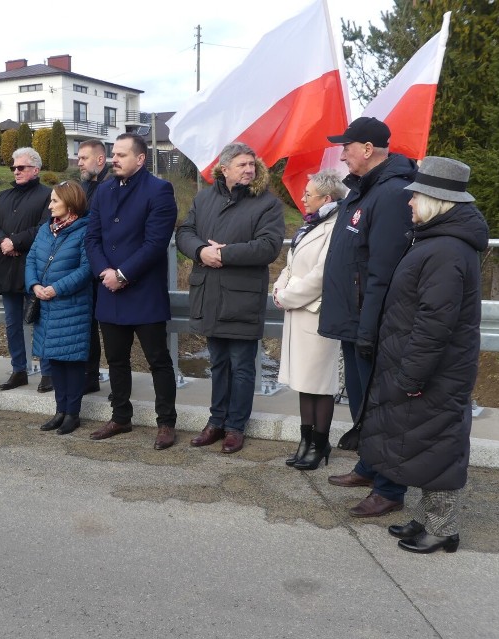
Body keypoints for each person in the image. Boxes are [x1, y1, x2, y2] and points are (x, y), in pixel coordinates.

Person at [359, 157, 488, 554]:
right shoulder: (437, 242)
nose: (410, 202)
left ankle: (444, 528)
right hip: (429, 367)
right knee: (424, 444)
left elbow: (435, 322)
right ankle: (428, 518)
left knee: (439, 447)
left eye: (416, 195)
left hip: (436, 371)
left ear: (436, 200)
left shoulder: (446, 250)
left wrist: (412, 375)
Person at [320, 117, 418, 518]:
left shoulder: (392, 193)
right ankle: (369, 466)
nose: (341, 153)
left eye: (347, 146)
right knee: (362, 404)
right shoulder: (363, 190)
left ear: (367, 149)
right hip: (353, 317)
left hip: (370, 321)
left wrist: (369, 327)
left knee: (381, 407)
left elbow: (383, 269)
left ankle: (390, 487)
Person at [176, 142, 284, 454]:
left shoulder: (267, 204)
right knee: (218, 361)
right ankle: (216, 421)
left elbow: (269, 246)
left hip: (242, 298)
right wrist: (200, 251)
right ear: (225, 169)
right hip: (209, 293)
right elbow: (184, 233)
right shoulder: (205, 196)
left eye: (252, 164)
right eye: (242, 165)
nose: (250, 169)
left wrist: (222, 253)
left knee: (242, 364)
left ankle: (236, 426)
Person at [84, 133, 179, 451]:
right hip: (109, 290)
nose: (114, 159)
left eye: (122, 155)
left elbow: (155, 243)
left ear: (140, 159)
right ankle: (120, 416)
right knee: (116, 360)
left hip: (143, 291)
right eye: (114, 154)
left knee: (158, 361)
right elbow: (92, 238)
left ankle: (166, 422)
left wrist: (123, 274)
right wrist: (104, 273)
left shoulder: (159, 190)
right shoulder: (104, 190)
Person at [272, 170, 346, 468]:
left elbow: (321, 274)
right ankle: (305, 440)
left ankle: (319, 443)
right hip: (297, 312)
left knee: (320, 382)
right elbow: (291, 265)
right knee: (304, 381)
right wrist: (278, 288)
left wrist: (287, 297)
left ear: (326, 199)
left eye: (308, 194)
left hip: (316, 314)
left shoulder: (335, 226)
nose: (302, 198)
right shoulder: (309, 225)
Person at [25, 180, 93, 435]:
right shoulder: (46, 229)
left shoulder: (85, 230)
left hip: (71, 305)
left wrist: (56, 288)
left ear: (70, 202)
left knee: (71, 362)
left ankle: (72, 414)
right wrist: (33, 285)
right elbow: (31, 258)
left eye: (55, 200)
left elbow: (87, 269)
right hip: (46, 305)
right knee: (54, 359)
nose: (50, 205)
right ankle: (60, 411)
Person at [0, 147, 52, 393]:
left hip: (34, 268)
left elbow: (44, 227)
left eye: (21, 167)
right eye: (13, 167)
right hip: (7, 267)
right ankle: (19, 370)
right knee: (12, 323)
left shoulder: (47, 195)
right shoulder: (3, 196)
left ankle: (48, 372)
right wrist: (3, 242)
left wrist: (15, 242)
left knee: (41, 321)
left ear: (35, 169)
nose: (16, 171)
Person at [77, 139, 112, 394]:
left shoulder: (111, 187)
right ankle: (90, 376)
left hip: (108, 268)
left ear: (100, 160)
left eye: (84, 158)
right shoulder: (84, 186)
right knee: (88, 326)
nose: (79, 162)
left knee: (112, 329)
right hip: (86, 267)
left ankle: (119, 382)